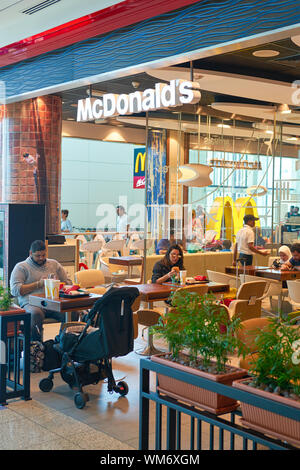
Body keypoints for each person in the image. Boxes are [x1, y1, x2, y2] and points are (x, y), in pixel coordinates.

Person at [10, 240, 75, 341]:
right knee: (35, 314)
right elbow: (15, 290)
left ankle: (64, 343)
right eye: (38, 256)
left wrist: (59, 284)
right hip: (31, 302)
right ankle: (36, 347)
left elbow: (68, 283)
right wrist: (38, 284)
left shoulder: (54, 264)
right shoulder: (21, 267)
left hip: (52, 302)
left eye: (44, 255)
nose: (41, 258)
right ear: (30, 253)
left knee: (73, 313)